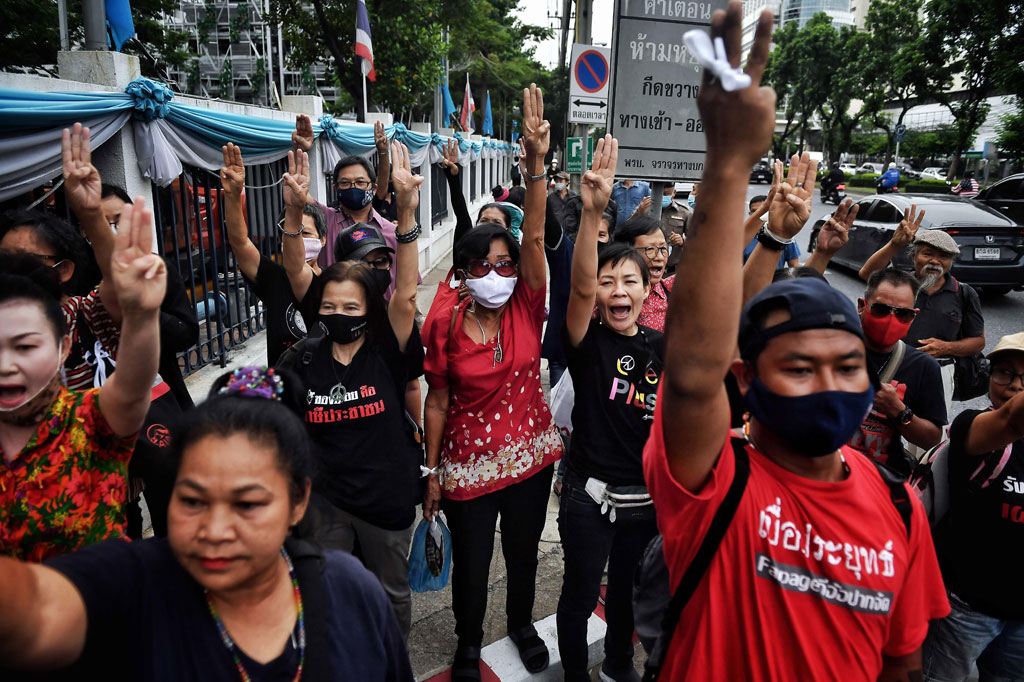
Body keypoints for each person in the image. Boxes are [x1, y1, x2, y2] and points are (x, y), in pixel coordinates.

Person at [643, 5, 949, 680]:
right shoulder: (717, 480)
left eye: (846, 367)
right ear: (747, 381)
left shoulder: (898, 508)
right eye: (801, 368)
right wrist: (726, 164)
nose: (833, 383)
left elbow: (902, 662)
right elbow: (694, 368)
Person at [0, 366, 414, 680]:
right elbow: (33, 608)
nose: (214, 531)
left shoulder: (349, 590)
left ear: (298, 501)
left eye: (248, 504)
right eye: (193, 500)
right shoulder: (134, 585)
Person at [421, 85, 563, 682]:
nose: (497, 273)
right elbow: (438, 399)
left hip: (531, 462)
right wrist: (430, 475)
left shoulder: (528, 305)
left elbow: (534, 239)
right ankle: (467, 642)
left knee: (525, 553)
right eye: (483, 264)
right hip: (467, 470)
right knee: (474, 566)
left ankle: (524, 625)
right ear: (463, 270)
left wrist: (535, 170)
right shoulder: (447, 318)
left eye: (505, 264)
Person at [275, 144, 424, 641]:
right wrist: (295, 212)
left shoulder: (387, 349)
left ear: (370, 308)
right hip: (327, 505)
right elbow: (297, 271)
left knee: (390, 594)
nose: (339, 314)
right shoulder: (308, 357)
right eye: (330, 306)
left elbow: (404, 291)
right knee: (329, 593)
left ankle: (390, 664)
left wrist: (405, 214)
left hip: (386, 502)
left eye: (351, 306)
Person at [0, 196, 165, 562]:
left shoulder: (89, 419)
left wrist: (141, 313)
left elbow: (133, 383)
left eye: (25, 346)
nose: (7, 365)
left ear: (63, 346)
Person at [556, 135, 664, 682]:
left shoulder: (661, 349)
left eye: (630, 281)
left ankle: (618, 669)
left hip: (645, 503)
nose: (618, 291)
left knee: (624, 595)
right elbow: (575, 293)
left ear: (649, 290)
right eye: (608, 281)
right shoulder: (587, 342)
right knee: (578, 598)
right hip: (586, 498)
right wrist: (593, 214)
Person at [99, 184, 200, 539]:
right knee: (118, 517)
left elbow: (187, 333)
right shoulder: (78, 283)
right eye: (102, 222)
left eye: (119, 220)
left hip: (160, 409)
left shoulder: (159, 269)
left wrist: (142, 309)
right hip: (103, 423)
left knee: (171, 507)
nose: (113, 230)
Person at [923, 331, 1024, 681]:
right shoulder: (971, 428)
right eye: (1004, 373)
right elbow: (1013, 419)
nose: (1014, 386)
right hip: (965, 611)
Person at [859, 210, 985, 416]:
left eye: (944, 257)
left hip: (939, 371)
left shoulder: (964, 293)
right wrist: (895, 244)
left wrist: (946, 347)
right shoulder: (900, 284)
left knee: (926, 432)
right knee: (876, 423)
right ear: (913, 256)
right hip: (893, 365)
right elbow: (867, 274)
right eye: (928, 254)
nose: (935, 261)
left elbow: (978, 342)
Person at [221, 142, 328, 366]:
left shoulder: (334, 283)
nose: (297, 241)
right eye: (292, 234)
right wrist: (232, 196)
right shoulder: (275, 279)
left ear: (322, 239)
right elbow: (240, 242)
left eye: (304, 233)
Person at [291, 114, 416, 299]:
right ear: (335, 188)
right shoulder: (325, 220)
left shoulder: (392, 232)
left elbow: (407, 288)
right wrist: (301, 151)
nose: (353, 188)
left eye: (360, 182)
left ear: (372, 189)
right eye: (345, 183)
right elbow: (298, 195)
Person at [847, 269, 946, 474]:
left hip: (882, 479)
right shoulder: (833, 351)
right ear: (861, 306)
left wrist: (899, 412)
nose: (890, 319)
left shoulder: (924, 367)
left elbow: (932, 440)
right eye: (881, 309)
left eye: (902, 313)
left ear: (913, 316)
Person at [612, 216, 673, 331]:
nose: (659, 257)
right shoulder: (608, 296)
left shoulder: (672, 289)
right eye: (650, 249)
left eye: (663, 249)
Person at [742, 194, 800, 269]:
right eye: (754, 211)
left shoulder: (784, 236)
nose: (759, 214)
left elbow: (794, 266)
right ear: (750, 214)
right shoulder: (743, 238)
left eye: (764, 211)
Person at [662, 184, 690, 275]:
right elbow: (625, 231)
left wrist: (682, 241)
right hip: (647, 269)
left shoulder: (684, 212)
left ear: (674, 193)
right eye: (659, 193)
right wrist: (639, 212)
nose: (662, 197)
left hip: (671, 271)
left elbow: (697, 242)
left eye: (665, 194)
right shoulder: (645, 209)